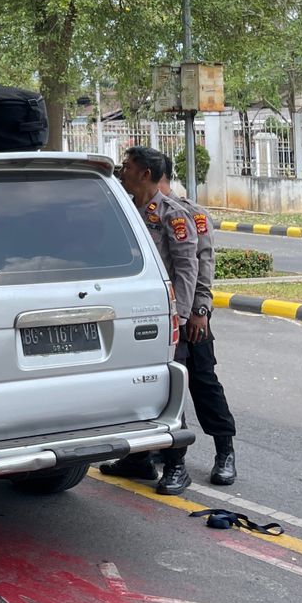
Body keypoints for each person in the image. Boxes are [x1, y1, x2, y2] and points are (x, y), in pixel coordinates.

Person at [105, 145, 200, 496]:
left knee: (166, 392)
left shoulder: (173, 215)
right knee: (134, 388)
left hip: (163, 318)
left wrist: (181, 315)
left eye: (127, 166)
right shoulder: (125, 210)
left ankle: (176, 466)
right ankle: (137, 459)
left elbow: (188, 268)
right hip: (129, 315)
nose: (122, 171)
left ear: (145, 173)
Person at [157, 155, 238, 486]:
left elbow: (202, 265)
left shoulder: (190, 214)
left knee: (203, 383)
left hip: (191, 317)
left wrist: (199, 311)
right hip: (157, 318)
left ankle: (225, 452)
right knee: (160, 387)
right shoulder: (137, 212)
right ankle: (152, 457)